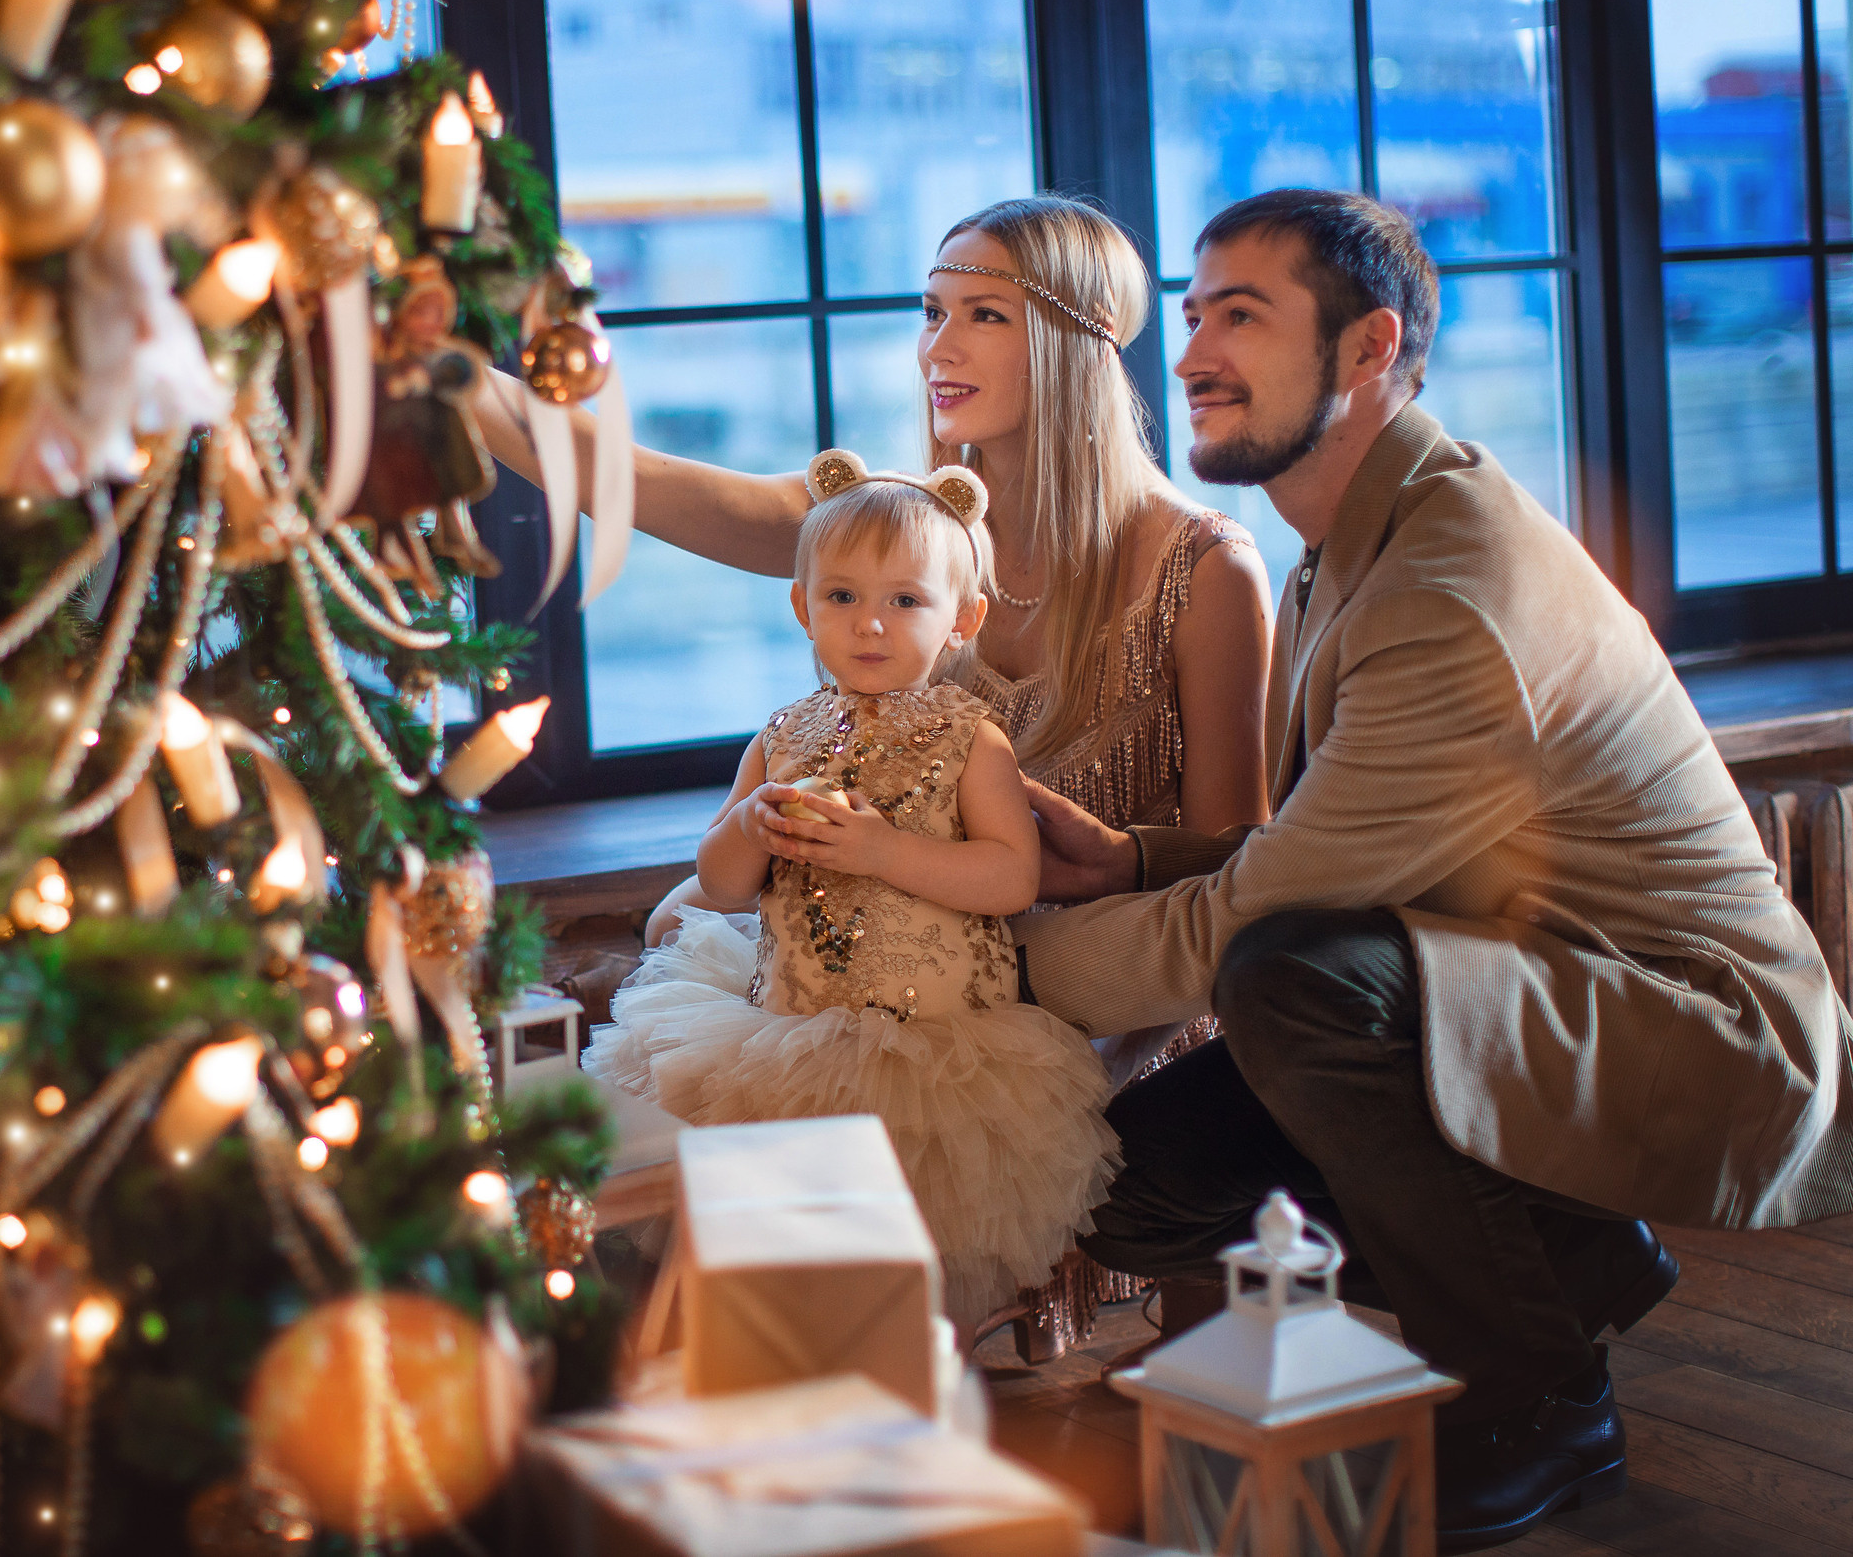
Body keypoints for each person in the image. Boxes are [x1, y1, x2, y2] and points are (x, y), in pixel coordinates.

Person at [1009, 188, 1853, 1551]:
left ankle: (1539, 1400)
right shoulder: (1346, 536)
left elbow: (1275, 911)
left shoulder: (1451, 582)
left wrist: (999, 967)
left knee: (1291, 979)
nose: (1191, 355)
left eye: (1241, 316)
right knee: (1128, 1183)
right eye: (1193, 314)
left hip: (1689, 1023)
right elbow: (1328, 842)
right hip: (1502, 978)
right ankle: (1569, 1255)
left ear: (1367, 347)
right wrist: (1130, 859)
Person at [469, 195, 1273, 1358]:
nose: (938, 347)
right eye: (931, 310)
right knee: (683, 926)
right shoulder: (902, 524)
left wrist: (1095, 948)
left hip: (1089, 969)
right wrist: (455, 380)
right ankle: (735, 1355)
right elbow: (641, 481)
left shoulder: (1203, 567)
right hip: (885, 939)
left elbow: (1234, 856)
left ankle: (852, 1360)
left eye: (983, 314)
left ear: (1075, 339)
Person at [581, 456, 1119, 1331]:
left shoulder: (972, 739)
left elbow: (1011, 877)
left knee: (909, 1261)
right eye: (842, 596)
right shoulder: (780, 736)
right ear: (803, 607)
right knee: (787, 1252)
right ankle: (795, 1355)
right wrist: (748, 826)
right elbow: (720, 885)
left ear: (962, 619)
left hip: (934, 1054)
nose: (870, 622)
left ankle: (911, 1364)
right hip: (785, 1037)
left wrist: (884, 849)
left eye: (905, 600)